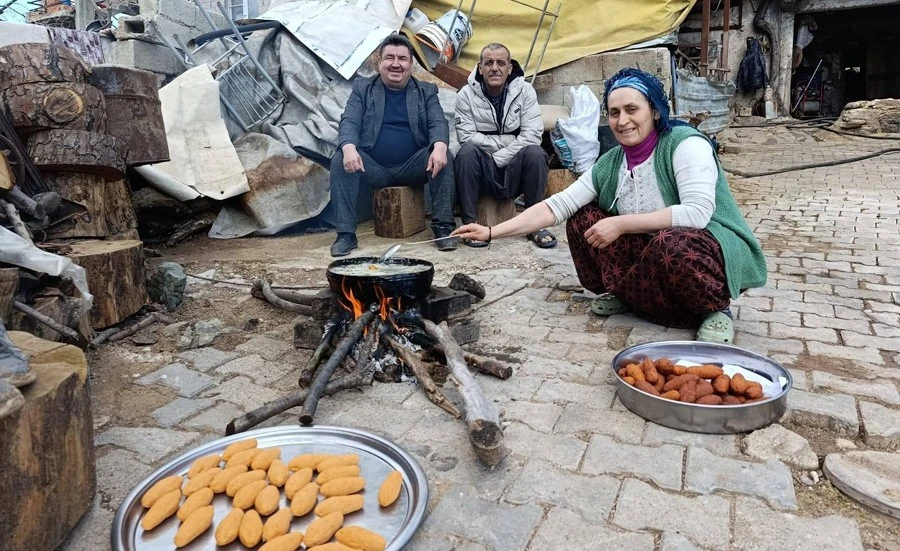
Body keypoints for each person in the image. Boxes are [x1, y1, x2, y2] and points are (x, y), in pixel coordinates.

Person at [452, 68, 767, 343]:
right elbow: (556, 206)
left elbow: (697, 214)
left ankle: (714, 309)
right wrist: (492, 232)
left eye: (632, 109)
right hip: (652, 249)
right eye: (614, 112)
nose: (623, 120)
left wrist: (620, 223)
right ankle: (629, 297)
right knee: (581, 218)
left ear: (655, 111)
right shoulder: (611, 162)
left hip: (700, 245)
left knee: (672, 242)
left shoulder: (685, 145)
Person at [329, 34, 457, 257]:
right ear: (379, 62)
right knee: (340, 158)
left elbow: (438, 121)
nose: (396, 64)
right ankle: (346, 234)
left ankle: (444, 228)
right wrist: (348, 147)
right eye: (390, 58)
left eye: (402, 59)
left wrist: (440, 146)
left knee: (444, 155)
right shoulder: (363, 88)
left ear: (411, 64)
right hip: (374, 167)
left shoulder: (426, 91)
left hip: (413, 166)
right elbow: (349, 120)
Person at [453, 43, 556, 249]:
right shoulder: (465, 94)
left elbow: (532, 136)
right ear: (480, 68)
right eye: (488, 62)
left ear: (509, 68)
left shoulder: (525, 91)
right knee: (466, 153)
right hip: (484, 171)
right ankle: (470, 225)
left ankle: (534, 225)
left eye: (501, 62)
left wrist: (498, 156)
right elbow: (466, 137)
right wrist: (509, 141)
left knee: (536, 153)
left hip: (513, 170)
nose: (494, 68)